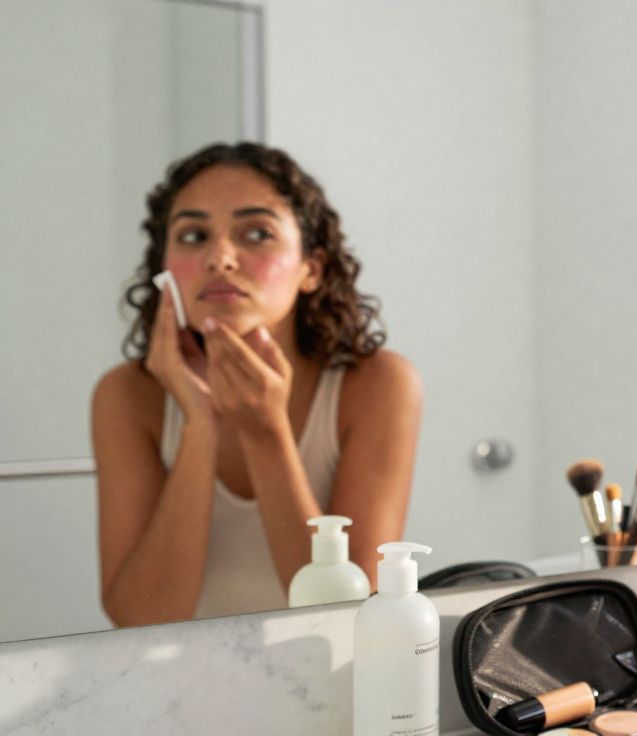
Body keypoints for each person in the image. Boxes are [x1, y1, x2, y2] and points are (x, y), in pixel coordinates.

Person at [91, 142, 422, 626]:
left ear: (312, 269)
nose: (220, 257)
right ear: (165, 269)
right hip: (181, 672)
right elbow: (140, 619)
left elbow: (351, 616)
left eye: (257, 233)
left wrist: (265, 430)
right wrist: (199, 426)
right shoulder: (127, 396)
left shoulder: (376, 386)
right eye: (193, 235)